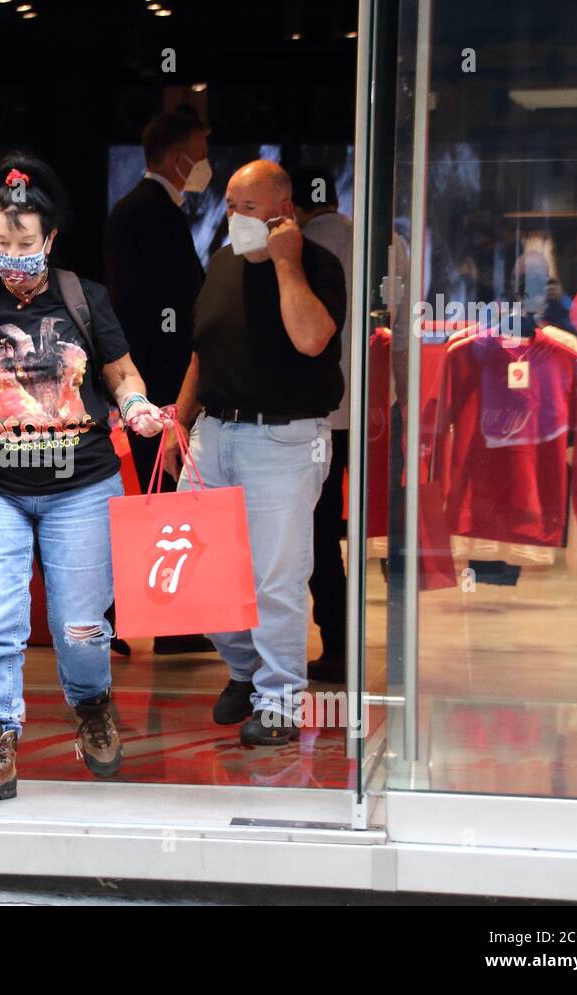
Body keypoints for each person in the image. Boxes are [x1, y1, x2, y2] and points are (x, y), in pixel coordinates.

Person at [0, 155, 167, 808]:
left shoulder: (85, 298)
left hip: (81, 486)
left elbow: (122, 374)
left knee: (81, 627)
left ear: (48, 241)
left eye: (25, 244)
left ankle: (91, 704)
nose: (13, 256)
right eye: (2, 243)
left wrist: (137, 405)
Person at [164, 160, 346, 745]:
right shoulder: (220, 264)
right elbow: (201, 352)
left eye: (247, 208)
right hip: (212, 434)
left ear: (282, 211)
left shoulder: (317, 265)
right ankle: (245, 670)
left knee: (276, 579)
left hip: (284, 440)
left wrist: (287, 261)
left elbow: (312, 338)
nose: (234, 217)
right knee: (196, 573)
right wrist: (179, 420)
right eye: (231, 205)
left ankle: (280, 701)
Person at [105, 108, 212, 657]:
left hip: (155, 379)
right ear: (179, 157)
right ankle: (142, 616)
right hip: (160, 381)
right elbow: (162, 309)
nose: (206, 161)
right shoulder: (150, 212)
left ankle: (150, 617)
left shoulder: (144, 209)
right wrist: (171, 397)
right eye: (202, 147)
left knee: (162, 496)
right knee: (162, 497)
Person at [291, 165, 353, 684]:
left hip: (315, 414)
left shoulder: (298, 253)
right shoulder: (385, 241)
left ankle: (336, 642)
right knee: (376, 534)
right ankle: (373, 642)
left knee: (320, 530)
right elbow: (396, 334)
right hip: (371, 408)